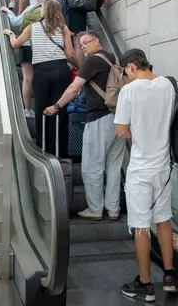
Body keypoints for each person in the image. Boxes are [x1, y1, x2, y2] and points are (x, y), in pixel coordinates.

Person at [114, 48, 178, 302]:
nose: (126, 77)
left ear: (131, 67)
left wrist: (138, 132)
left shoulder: (129, 91)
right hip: (164, 168)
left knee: (141, 225)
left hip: (141, 170)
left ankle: (145, 285)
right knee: (163, 219)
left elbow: (121, 131)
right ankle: (169, 277)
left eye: (125, 72)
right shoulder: (167, 85)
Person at [44, 31, 125, 221]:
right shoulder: (115, 59)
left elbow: (74, 88)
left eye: (85, 43)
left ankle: (95, 209)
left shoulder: (92, 61)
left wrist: (56, 106)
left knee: (91, 166)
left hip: (99, 118)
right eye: (80, 45)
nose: (83, 47)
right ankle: (113, 209)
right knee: (114, 166)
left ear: (96, 41)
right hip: (119, 118)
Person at [3, 0, 77, 157]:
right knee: (59, 108)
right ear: (58, 11)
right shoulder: (63, 28)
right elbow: (70, 54)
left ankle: (42, 150)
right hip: (60, 69)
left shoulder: (33, 27)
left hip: (42, 72)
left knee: (42, 109)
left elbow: (15, 44)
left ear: (43, 10)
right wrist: (80, 65)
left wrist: (10, 33)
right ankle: (60, 152)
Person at [0, 4, 39, 118]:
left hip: (26, 46)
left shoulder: (31, 7)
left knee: (27, 78)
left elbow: (15, 23)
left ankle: (28, 109)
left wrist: (8, 11)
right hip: (41, 47)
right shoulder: (51, 10)